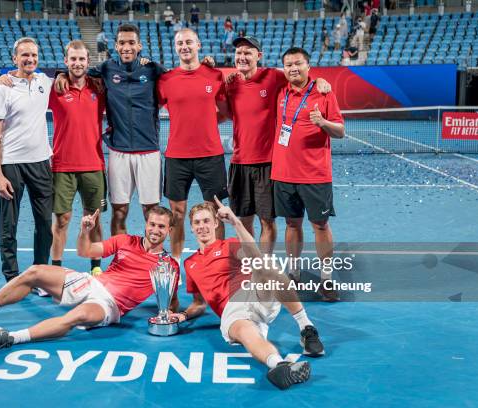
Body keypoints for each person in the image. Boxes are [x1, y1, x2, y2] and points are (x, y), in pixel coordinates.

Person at [0, 206, 180, 352]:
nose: (155, 230)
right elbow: (86, 251)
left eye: (161, 226)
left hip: (110, 305)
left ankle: (9, 338)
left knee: (77, 316)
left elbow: (170, 303)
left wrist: (176, 314)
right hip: (91, 283)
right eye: (152, 224)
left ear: (169, 231)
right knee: (35, 271)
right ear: (146, 224)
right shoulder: (125, 240)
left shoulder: (169, 266)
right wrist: (84, 231)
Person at [171, 199, 325, 390]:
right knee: (246, 333)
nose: (202, 226)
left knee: (266, 266)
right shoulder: (190, 263)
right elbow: (199, 303)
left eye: (206, 221)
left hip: (253, 292)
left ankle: (306, 328)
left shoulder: (230, 244)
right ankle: (279, 366)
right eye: (197, 222)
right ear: (192, 228)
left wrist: (236, 222)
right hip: (232, 312)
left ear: (215, 223)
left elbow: (254, 256)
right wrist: (183, 315)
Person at [223, 37, 332, 255]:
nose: (242, 57)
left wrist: (320, 79)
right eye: (239, 53)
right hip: (238, 162)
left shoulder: (273, 76)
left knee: (267, 221)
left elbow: (300, 75)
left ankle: (265, 264)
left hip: (267, 164)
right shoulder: (231, 82)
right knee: (243, 221)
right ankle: (251, 264)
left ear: (258, 56)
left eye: (248, 52)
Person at [56, 24, 165, 237]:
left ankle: (151, 259)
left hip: (149, 152)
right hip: (119, 152)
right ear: (115, 46)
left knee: (151, 212)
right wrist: (61, 74)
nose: (126, 47)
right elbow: (79, 71)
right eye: (122, 43)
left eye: (131, 43)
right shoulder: (106, 68)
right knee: (119, 211)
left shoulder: (152, 69)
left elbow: (181, 76)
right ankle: (120, 259)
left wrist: (207, 64)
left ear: (139, 45)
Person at [271, 48, 345, 302]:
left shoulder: (323, 92)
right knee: (292, 224)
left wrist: (323, 123)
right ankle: (294, 273)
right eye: (288, 64)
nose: (293, 68)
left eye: (298, 63)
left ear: (308, 66)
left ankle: (326, 278)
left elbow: (340, 132)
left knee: (320, 225)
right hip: (283, 173)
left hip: (315, 174)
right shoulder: (280, 91)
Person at [157, 28, 230, 263]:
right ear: (175, 48)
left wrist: (205, 122)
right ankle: (176, 264)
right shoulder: (165, 80)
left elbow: (226, 113)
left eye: (189, 42)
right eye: (180, 43)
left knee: (215, 213)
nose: (184, 46)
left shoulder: (214, 75)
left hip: (211, 156)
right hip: (176, 158)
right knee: (177, 214)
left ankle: (215, 261)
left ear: (198, 45)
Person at [0, 37, 53, 285]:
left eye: (34, 55)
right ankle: (12, 277)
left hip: (40, 163)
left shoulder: (44, 82)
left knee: (45, 224)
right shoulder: (2, 88)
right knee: (9, 225)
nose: (30, 59)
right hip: (11, 164)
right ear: (14, 58)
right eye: (25, 55)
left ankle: (41, 273)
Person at [47, 40, 107, 276]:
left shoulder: (98, 89)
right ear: (66, 61)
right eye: (73, 59)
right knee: (62, 220)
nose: (77, 63)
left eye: (81, 59)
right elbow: (29, 80)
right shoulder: (56, 88)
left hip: (93, 164)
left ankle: (96, 268)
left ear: (88, 62)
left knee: (94, 220)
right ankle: (56, 270)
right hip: (62, 166)